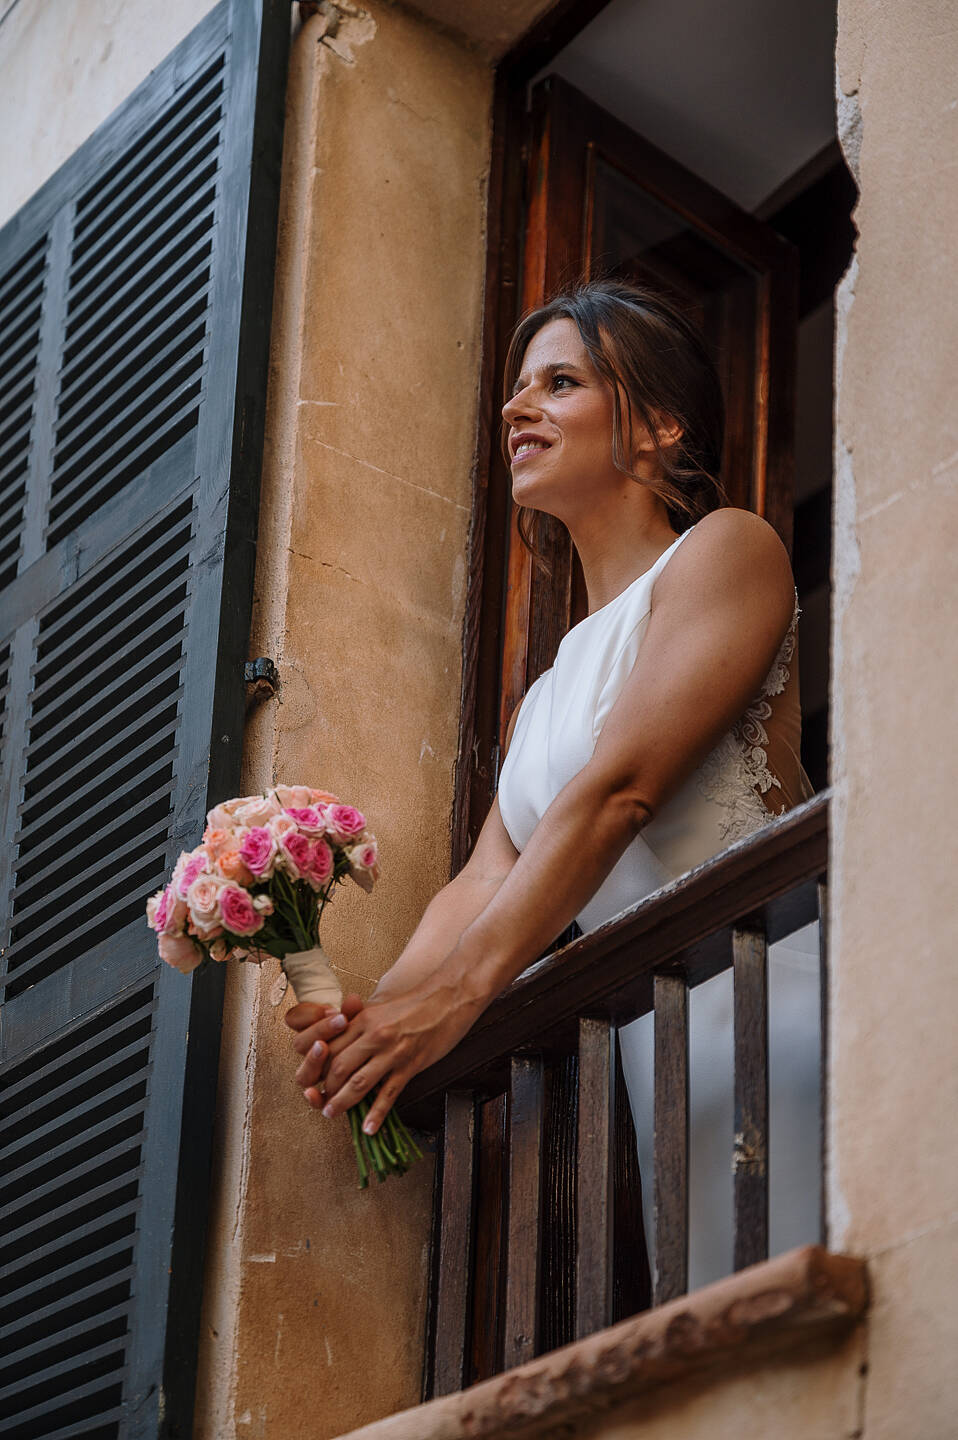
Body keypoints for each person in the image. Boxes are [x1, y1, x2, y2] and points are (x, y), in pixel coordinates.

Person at [286, 281, 813, 1223]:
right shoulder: (544, 696)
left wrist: (458, 997)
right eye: (519, 387)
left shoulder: (728, 550)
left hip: (786, 1004)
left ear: (660, 427)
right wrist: (374, 1020)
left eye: (560, 383)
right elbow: (482, 883)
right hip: (670, 1064)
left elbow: (621, 791)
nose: (515, 407)